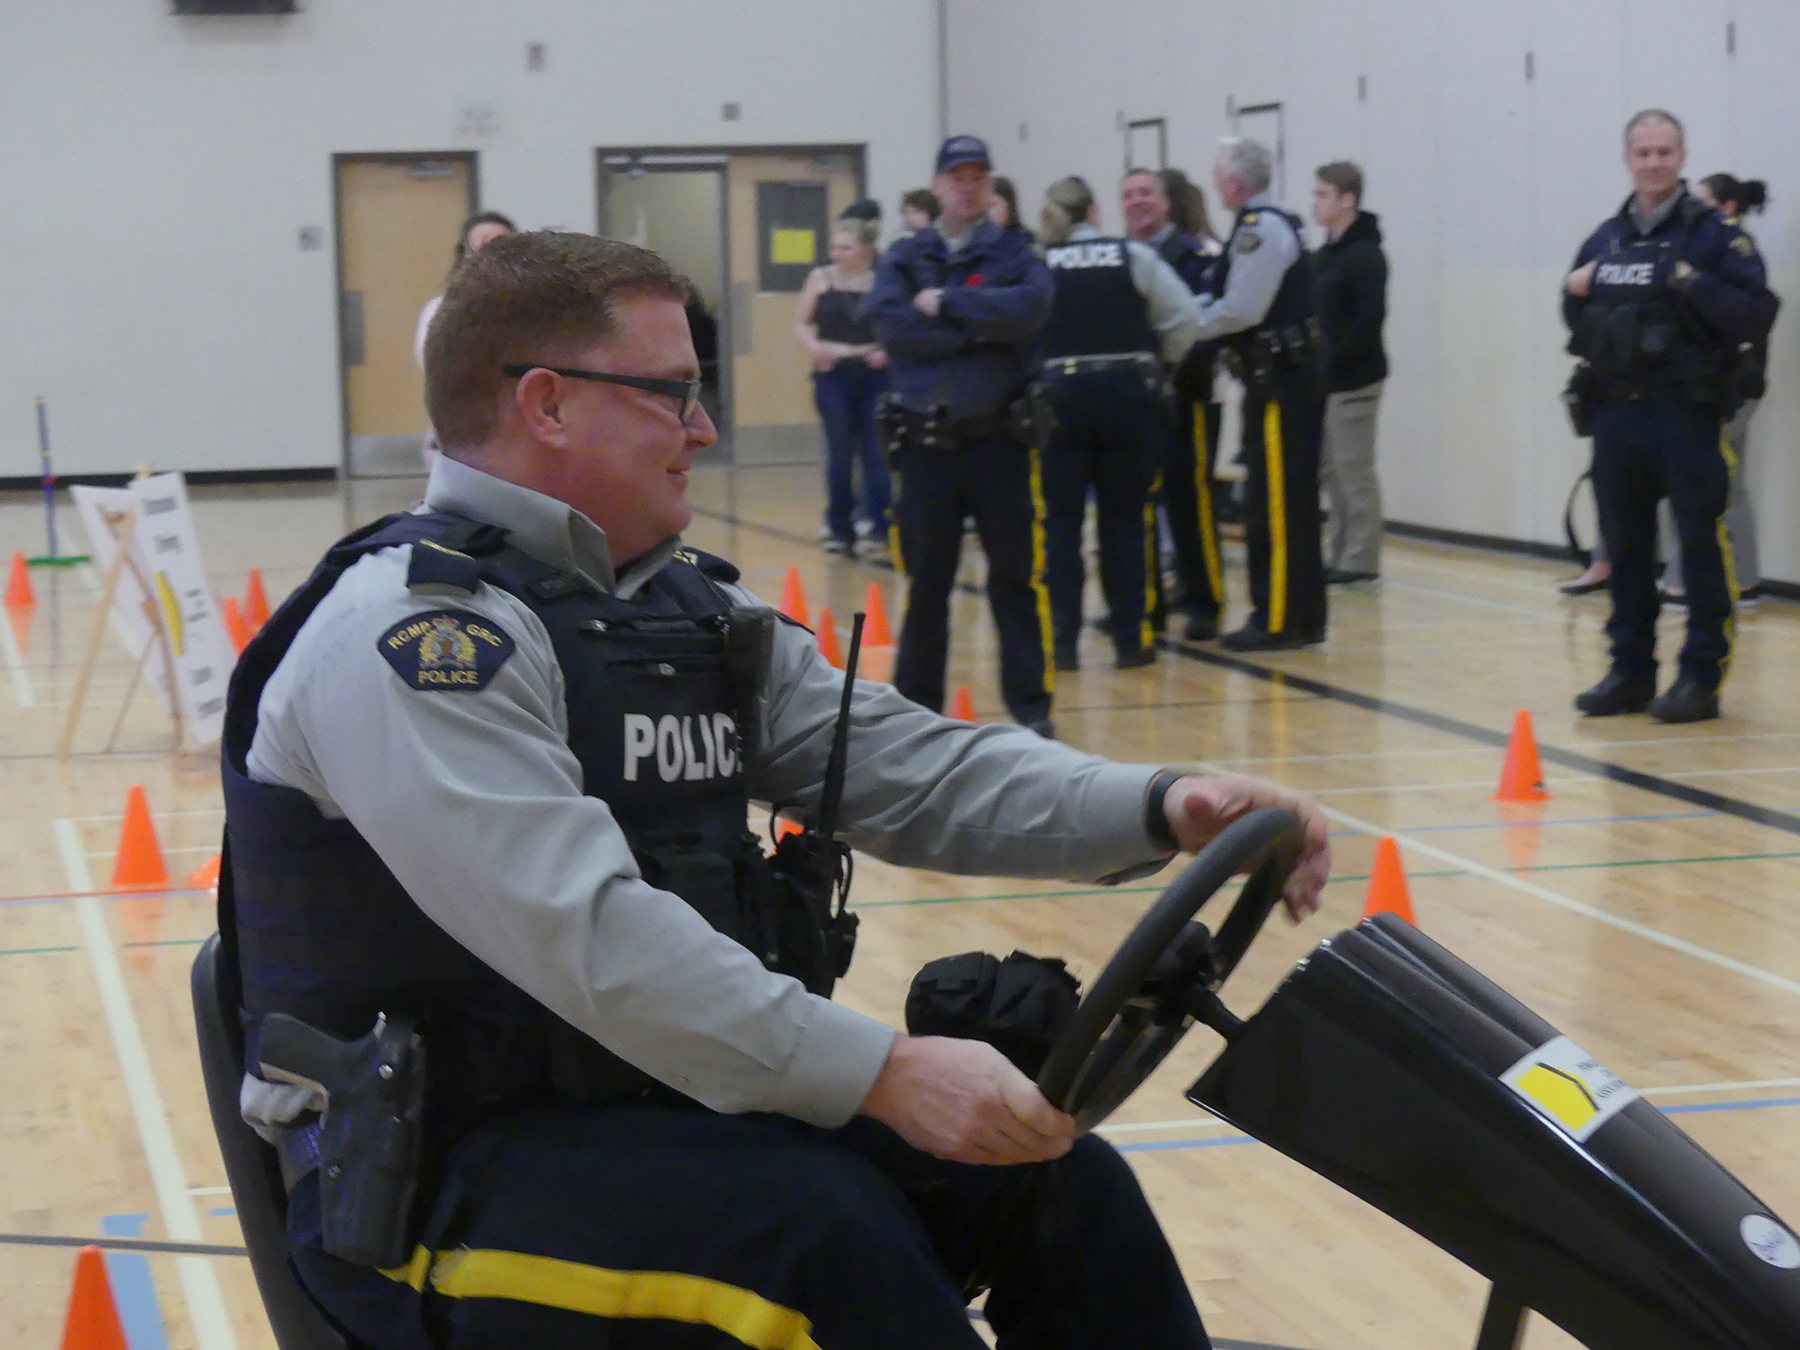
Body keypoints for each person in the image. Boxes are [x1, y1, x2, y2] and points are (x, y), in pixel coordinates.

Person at [218, 227, 1334, 1350]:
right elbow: (589, 935)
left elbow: (913, 764)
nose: (703, 430)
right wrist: (885, 1073)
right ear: (548, 405)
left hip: (657, 1122)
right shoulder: (413, 638)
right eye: (671, 394)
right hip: (429, 1192)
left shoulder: (687, 615)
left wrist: (1163, 803)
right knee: (821, 1248)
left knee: (1056, 1183)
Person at [1563, 110, 1778, 723]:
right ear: (1627, 158)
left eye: (1664, 152)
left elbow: (1754, 313)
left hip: (1684, 413)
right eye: (1642, 152)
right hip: (1616, 414)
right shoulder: (1606, 237)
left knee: (1699, 546)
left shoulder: (1714, 235)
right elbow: (1578, 320)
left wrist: (1687, 281)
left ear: (1681, 158)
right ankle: (1630, 671)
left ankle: (1700, 677)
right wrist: (1572, 291)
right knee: (1626, 548)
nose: (1653, 163)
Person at [868, 136, 1059, 735]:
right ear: (939, 185)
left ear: (989, 185)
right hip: (927, 445)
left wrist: (947, 302)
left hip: (998, 442)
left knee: (1015, 578)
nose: (968, 186)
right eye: (958, 176)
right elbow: (897, 332)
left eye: (979, 176)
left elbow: (1029, 311)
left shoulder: (1014, 251)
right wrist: (977, 330)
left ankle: (1031, 708)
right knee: (928, 582)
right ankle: (918, 709)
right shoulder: (904, 257)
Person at [1037, 176, 1201, 670]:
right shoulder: (1130, 256)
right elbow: (1186, 316)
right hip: (1127, 397)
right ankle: (1131, 639)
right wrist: (1161, 363)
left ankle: (1063, 642)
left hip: (1058, 398)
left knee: (1061, 523)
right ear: (1094, 213)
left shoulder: (1039, 263)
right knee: (1125, 520)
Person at [1187, 138, 1329, 651]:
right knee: (1279, 497)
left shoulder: (1261, 228)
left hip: (1282, 380)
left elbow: (1241, 308)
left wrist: (1182, 327)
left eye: (1218, 173)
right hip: (1275, 377)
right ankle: (1299, 616)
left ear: (1233, 180)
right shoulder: (1261, 224)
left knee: (1277, 504)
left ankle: (1279, 618)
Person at [1122, 167, 1227, 641]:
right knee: (1136, 503)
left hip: (1184, 393)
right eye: (1128, 195)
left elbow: (1202, 326)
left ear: (1166, 202)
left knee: (1189, 501)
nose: (1137, 201)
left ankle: (1204, 600)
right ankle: (1145, 603)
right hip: (1134, 402)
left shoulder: (1192, 255)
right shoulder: (1116, 258)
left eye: (1146, 193)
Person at [1660, 172, 1772, 607]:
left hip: (1730, 387)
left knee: (1693, 479)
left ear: (1726, 208)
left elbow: (1738, 320)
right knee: (1730, 486)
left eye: (1704, 202)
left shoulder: (1730, 254)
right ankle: (1745, 582)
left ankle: (1681, 580)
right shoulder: (1724, 253)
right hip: (1735, 386)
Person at [1310, 161, 1389, 585]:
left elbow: (1368, 319)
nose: (1315, 203)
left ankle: (1361, 559)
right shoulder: (1324, 255)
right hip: (1326, 381)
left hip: (1355, 379)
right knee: (1330, 470)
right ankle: (1338, 552)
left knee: (1353, 467)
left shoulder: (1366, 255)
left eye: (1323, 195)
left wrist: (1334, 359)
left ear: (1348, 200)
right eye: (1316, 194)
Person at [794, 217, 891, 558]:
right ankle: (838, 525)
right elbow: (801, 323)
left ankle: (877, 525)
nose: (837, 253)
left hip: (872, 371)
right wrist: (815, 348)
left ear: (864, 249)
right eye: (834, 247)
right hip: (833, 369)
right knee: (839, 451)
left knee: (876, 452)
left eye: (845, 247)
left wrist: (885, 349)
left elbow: (897, 323)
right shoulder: (820, 279)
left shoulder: (880, 280)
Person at [415, 211, 516, 466]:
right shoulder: (440, 311)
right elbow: (437, 369)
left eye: (502, 245)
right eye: (483, 246)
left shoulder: (538, 311)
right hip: (460, 437)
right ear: (465, 254)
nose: (493, 256)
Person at [989, 175, 1035, 243]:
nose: (986, 212)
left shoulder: (1026, 241)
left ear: (1009, 207)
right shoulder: (976, 241)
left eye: (992, 205)